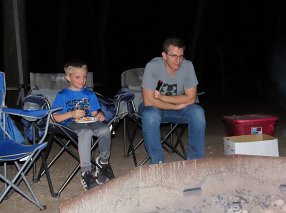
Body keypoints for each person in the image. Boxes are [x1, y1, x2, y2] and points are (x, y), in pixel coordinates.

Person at [139, 37, 206, 164]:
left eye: (181, 56)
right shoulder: (153, 66)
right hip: (155, 108)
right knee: (150, 115)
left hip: (176, 107)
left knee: (198, 112)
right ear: (164, 55)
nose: (178, 60)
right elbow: (149, 101)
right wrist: (176, 106)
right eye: (174, 56)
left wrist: (163, 97)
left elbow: (191, 98)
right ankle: (157, 163)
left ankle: (196, 162)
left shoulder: (188, 66)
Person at [52, 59, 112, 191]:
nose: (82, 80)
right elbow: (54, 118)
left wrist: (99, 115)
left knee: (104, 130)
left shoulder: (89, 94)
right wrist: (71, 114)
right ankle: (86, 172)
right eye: (77, 77)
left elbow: (94, 113)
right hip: (70, 124)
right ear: (68, 77)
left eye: (84, 77)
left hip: (89, 121)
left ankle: (103, 162)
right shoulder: (62, 95)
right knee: (86, 132)